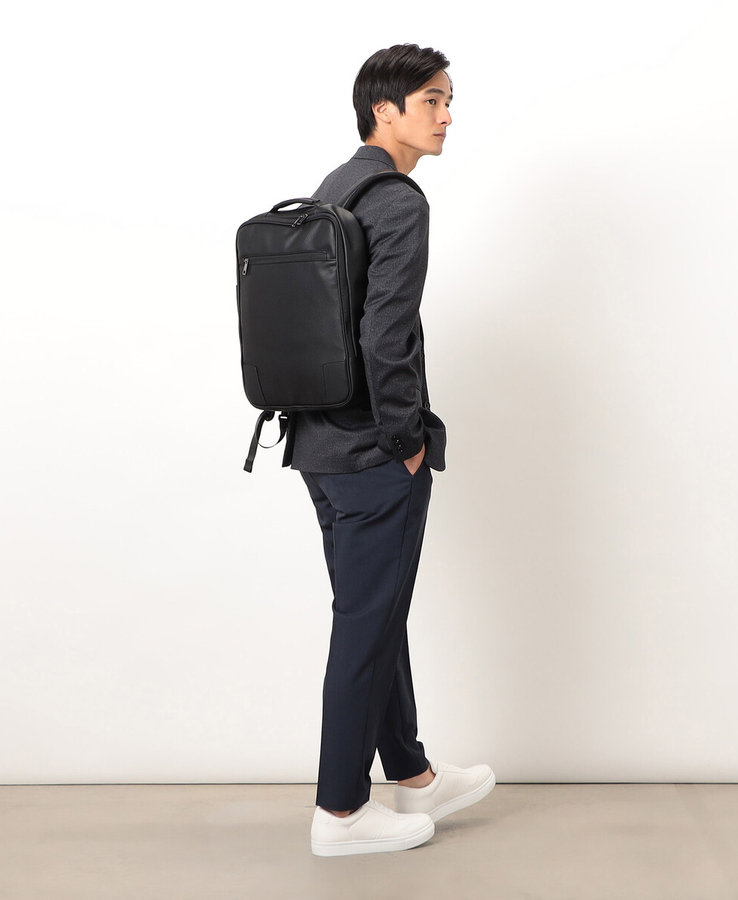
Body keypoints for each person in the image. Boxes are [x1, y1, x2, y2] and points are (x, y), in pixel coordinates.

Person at [286, 43, 495, 857]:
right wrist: (405, 441)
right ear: (386, 110)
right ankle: (340, 813)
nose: (447, 117)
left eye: (448, 101)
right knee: (366, 625)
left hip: (316, 442)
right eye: (433, 100)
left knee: (374, 615)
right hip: (374, 453)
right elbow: (385, 335)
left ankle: (411, 774)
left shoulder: (333, 188)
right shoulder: (398, 201)